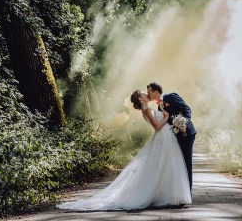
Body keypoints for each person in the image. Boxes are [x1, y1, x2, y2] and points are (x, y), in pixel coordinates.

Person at [56, 90, 191, 211]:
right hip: (163, 138)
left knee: (166, 166)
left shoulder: (148, 109)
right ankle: (168, 196)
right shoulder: (147, 110)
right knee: (165, 166)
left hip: (165, 139)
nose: (147, 95)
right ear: (140, 99)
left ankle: (170, 195)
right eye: (144, 94)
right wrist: (166, 117)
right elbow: (156, 127)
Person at [147, 82, 197, 191]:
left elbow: (187, 109)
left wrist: (184, 123)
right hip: (174, 136)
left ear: (156, 92)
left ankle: (188, 192)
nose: (148, 95)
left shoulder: (171, 96)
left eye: (149, 92)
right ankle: (180, 191)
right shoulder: (159, 106)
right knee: (179, 164)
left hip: (187, 133)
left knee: (186, 163)